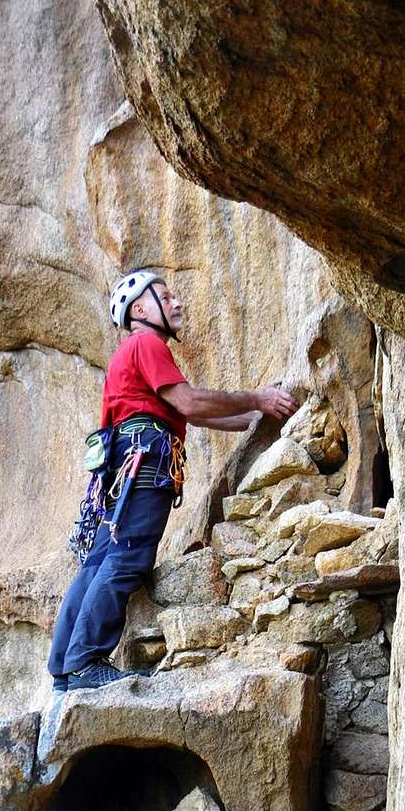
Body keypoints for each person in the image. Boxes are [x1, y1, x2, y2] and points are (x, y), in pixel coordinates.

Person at [48, 269, 298, 692]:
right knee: (127, 560)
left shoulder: (130, 353)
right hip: (144, 466)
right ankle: (86, 661)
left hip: (122, 468)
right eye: (166, 296)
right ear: (141, 309)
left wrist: (249, 419)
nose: (177, 302)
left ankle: (65, 668)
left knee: (98, 562)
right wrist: (257, 397)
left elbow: (187, 411)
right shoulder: (146, 343)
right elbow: (188, 400)